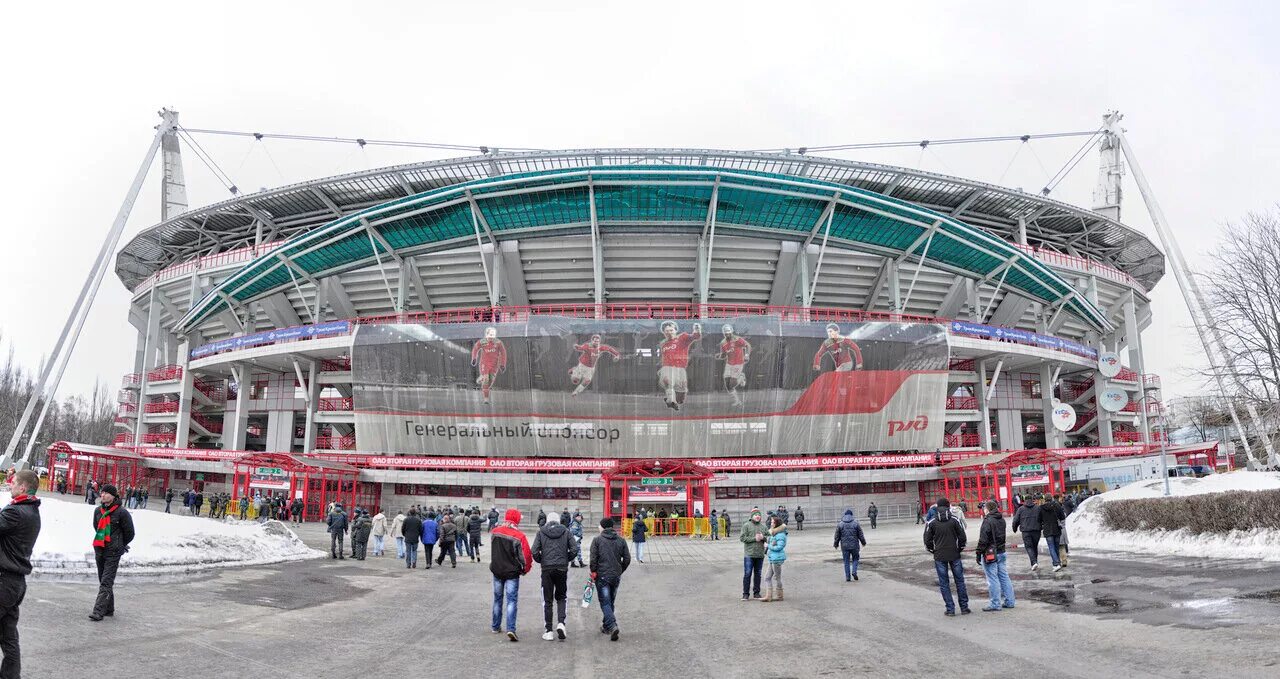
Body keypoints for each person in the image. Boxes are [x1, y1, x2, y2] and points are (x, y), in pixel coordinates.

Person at [0, 470, 41, 675]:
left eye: (14, 482)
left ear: (23, 487)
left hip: (3, 582)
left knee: (8, 637)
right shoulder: (32, 511)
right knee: (9, 638)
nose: (10, 485)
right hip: (15, 584)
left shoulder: (15, 512)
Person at [89, 484, 135, 621]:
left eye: (106, 493)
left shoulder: (122, 513)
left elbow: (130, 533)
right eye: (102, 493)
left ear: (114, 496)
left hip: (113, 552)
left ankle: (98, 611)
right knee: (103, 579)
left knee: (106, 582)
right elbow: (96, 527)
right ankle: (109, 609)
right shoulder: (98, 511)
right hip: (100, 549)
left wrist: (120, 544)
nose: (102, 495)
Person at [532, 511, 579, 641]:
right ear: (559, 521)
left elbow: (534, 551)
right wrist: (566, 559)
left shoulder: (541, 532)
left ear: (547, 520)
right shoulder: (566, 531)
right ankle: (561, 623)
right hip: (561, 568)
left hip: (547, 569)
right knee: (561, 597)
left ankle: (548, 630)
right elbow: (574, 549)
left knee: (547, 600)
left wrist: (542, 560)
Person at [490, 509, 533, 642]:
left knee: (497, 598)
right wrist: (525, 569)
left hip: (497, 570)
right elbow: (525, 556)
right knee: (511, 600)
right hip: (511, 573)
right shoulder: (519, 536)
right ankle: (510, 628)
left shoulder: (495, 532)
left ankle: (495, 626)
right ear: (517, 519)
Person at [923, 498, 969, 616]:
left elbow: (927, 540)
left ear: (937, 506)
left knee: (944, 583)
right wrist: (959, 548)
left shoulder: (932, 522)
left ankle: (950, 609)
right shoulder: (955, 520)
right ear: (948, 506)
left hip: (939, 555)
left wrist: (933, 550)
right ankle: (964, 607)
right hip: (954, 554)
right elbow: (962, 537)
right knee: (960, 581)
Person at [589, 517, 630, 642]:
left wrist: (594, 571)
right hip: (615, 576)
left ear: (602, 527)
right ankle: (607, 626)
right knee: (610, 601)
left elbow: (593, 559)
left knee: (605, 602)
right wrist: (619, 570)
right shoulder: (621, 540)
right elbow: (627, 559)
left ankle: (612, 625)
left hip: (602, 576)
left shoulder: (597, 540)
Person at [974, 500, 1015, 612]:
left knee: (992, 578)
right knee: (1004, 576)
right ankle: (1010, 601)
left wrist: (978, 552)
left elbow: (983, 539)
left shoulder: (987, 521)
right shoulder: (1001, 519)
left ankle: (995, 603)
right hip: (1001, 551)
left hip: (990, 553)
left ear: (987, 509)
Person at [657, 321, 702, 410]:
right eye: (666, 331)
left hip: (680, 369)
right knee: (668, 382)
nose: (669, 332)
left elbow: (695, 337)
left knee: (681, 399)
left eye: (671, 330)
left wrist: (697, 330)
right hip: (668, 368)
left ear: (675, 330)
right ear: (664, 332)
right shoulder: (663, 344)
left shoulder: (683, 337)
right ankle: (671, 400)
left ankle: (671, 400)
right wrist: (661, 369)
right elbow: (664, 357)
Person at [715, 324, 752, 406]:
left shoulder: (737, 339)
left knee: (732, 384)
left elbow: (748, 345)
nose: (727, 335)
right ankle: (737, 401)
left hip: (738, 363)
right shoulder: (723, 343)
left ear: (731, 332)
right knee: (728, 386)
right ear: (724, 334)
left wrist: (746, 355)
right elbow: (724, 355)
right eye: (726, 333)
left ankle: (741, 377)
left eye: (729, 333)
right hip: (729, 364)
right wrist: (719, 356)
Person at [470, 326, 508, 404]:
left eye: (492, 336)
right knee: (486, 381)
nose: (491, 338)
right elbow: (475, 348)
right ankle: (486, 399)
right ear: (486, 335)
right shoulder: (482, 342)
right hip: (484, 364)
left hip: (494, 365)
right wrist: (474, 358)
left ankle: (482, 379)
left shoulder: (498, 343)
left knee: (490, 382)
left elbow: (503, 353)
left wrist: (502, 364)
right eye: (489, 336)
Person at [739, 509, 767, 601]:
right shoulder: (746, 525)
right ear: (752, 516)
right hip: (749, 554)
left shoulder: (763, 527)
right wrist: (754, 539)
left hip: (760, 554)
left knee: (758, 574)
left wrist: (763, 538)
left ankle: (756, 593)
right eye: (756, 515)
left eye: (759, 515)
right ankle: (745, 594)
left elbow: (770, 537)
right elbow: (742, 538)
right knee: (747, 574)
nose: (757, 516)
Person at [834, 508, 867, 582]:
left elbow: (837, 536)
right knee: (855, 559)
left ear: (844, 515)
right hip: (854, 545)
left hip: (845, 546)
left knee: (846, 561)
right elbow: (860, 534)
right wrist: (863, 542)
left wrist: (836, 544)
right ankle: (854, 571)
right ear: (852, 515)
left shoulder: (840, 524)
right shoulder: (856, 523)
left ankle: (848, 577)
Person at [1011, 495, 1043, 571]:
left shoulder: (1021, 509)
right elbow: (1042, 518)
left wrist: (1014, 528)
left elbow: (1015, 520)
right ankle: (1035, 562)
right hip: (1036, 530)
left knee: (1029, 547)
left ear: (1024, 500)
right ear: (1032, 500)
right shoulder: (1038, 508)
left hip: (1026, 531)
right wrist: (1042, 526)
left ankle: (1034, 562)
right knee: (1034, 546)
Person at [761, 516, 788, 602]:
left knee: (777, 577)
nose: (771, 523)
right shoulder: (774, 533)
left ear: (776, 524)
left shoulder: (780, 534)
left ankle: (779, 596)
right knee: (767, 577)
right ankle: (769, 596)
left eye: (772, 522)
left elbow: (779, 547)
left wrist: (768, 546)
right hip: (772, 558)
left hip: (777, 559)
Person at [1039, 494, 1067, 571]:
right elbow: (1062, 517)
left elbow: (1039, 519)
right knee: (1056, 547)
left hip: (1047, 530)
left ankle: (1056, 563)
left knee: (1051, 547)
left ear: (1045, 499)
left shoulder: (1041, 508)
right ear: (1051, 498)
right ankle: (1058, 562)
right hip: (1057, 529)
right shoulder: (1057, 506)